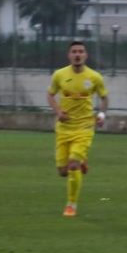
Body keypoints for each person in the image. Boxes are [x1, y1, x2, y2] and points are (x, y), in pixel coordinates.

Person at [46, 41, 109, 217]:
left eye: (81, 51)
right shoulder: (59, 75)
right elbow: (50, 95)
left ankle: (71, 205)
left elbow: (104, 98)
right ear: (69, 55)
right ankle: (81, 163)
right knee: (62, 171)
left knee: (73, 164)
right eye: (74, 51)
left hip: (84, 127)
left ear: (85, 55)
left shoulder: (94, 77)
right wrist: (58, 111)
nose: (77, 54)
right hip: (64, 128)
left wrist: (101, 115)